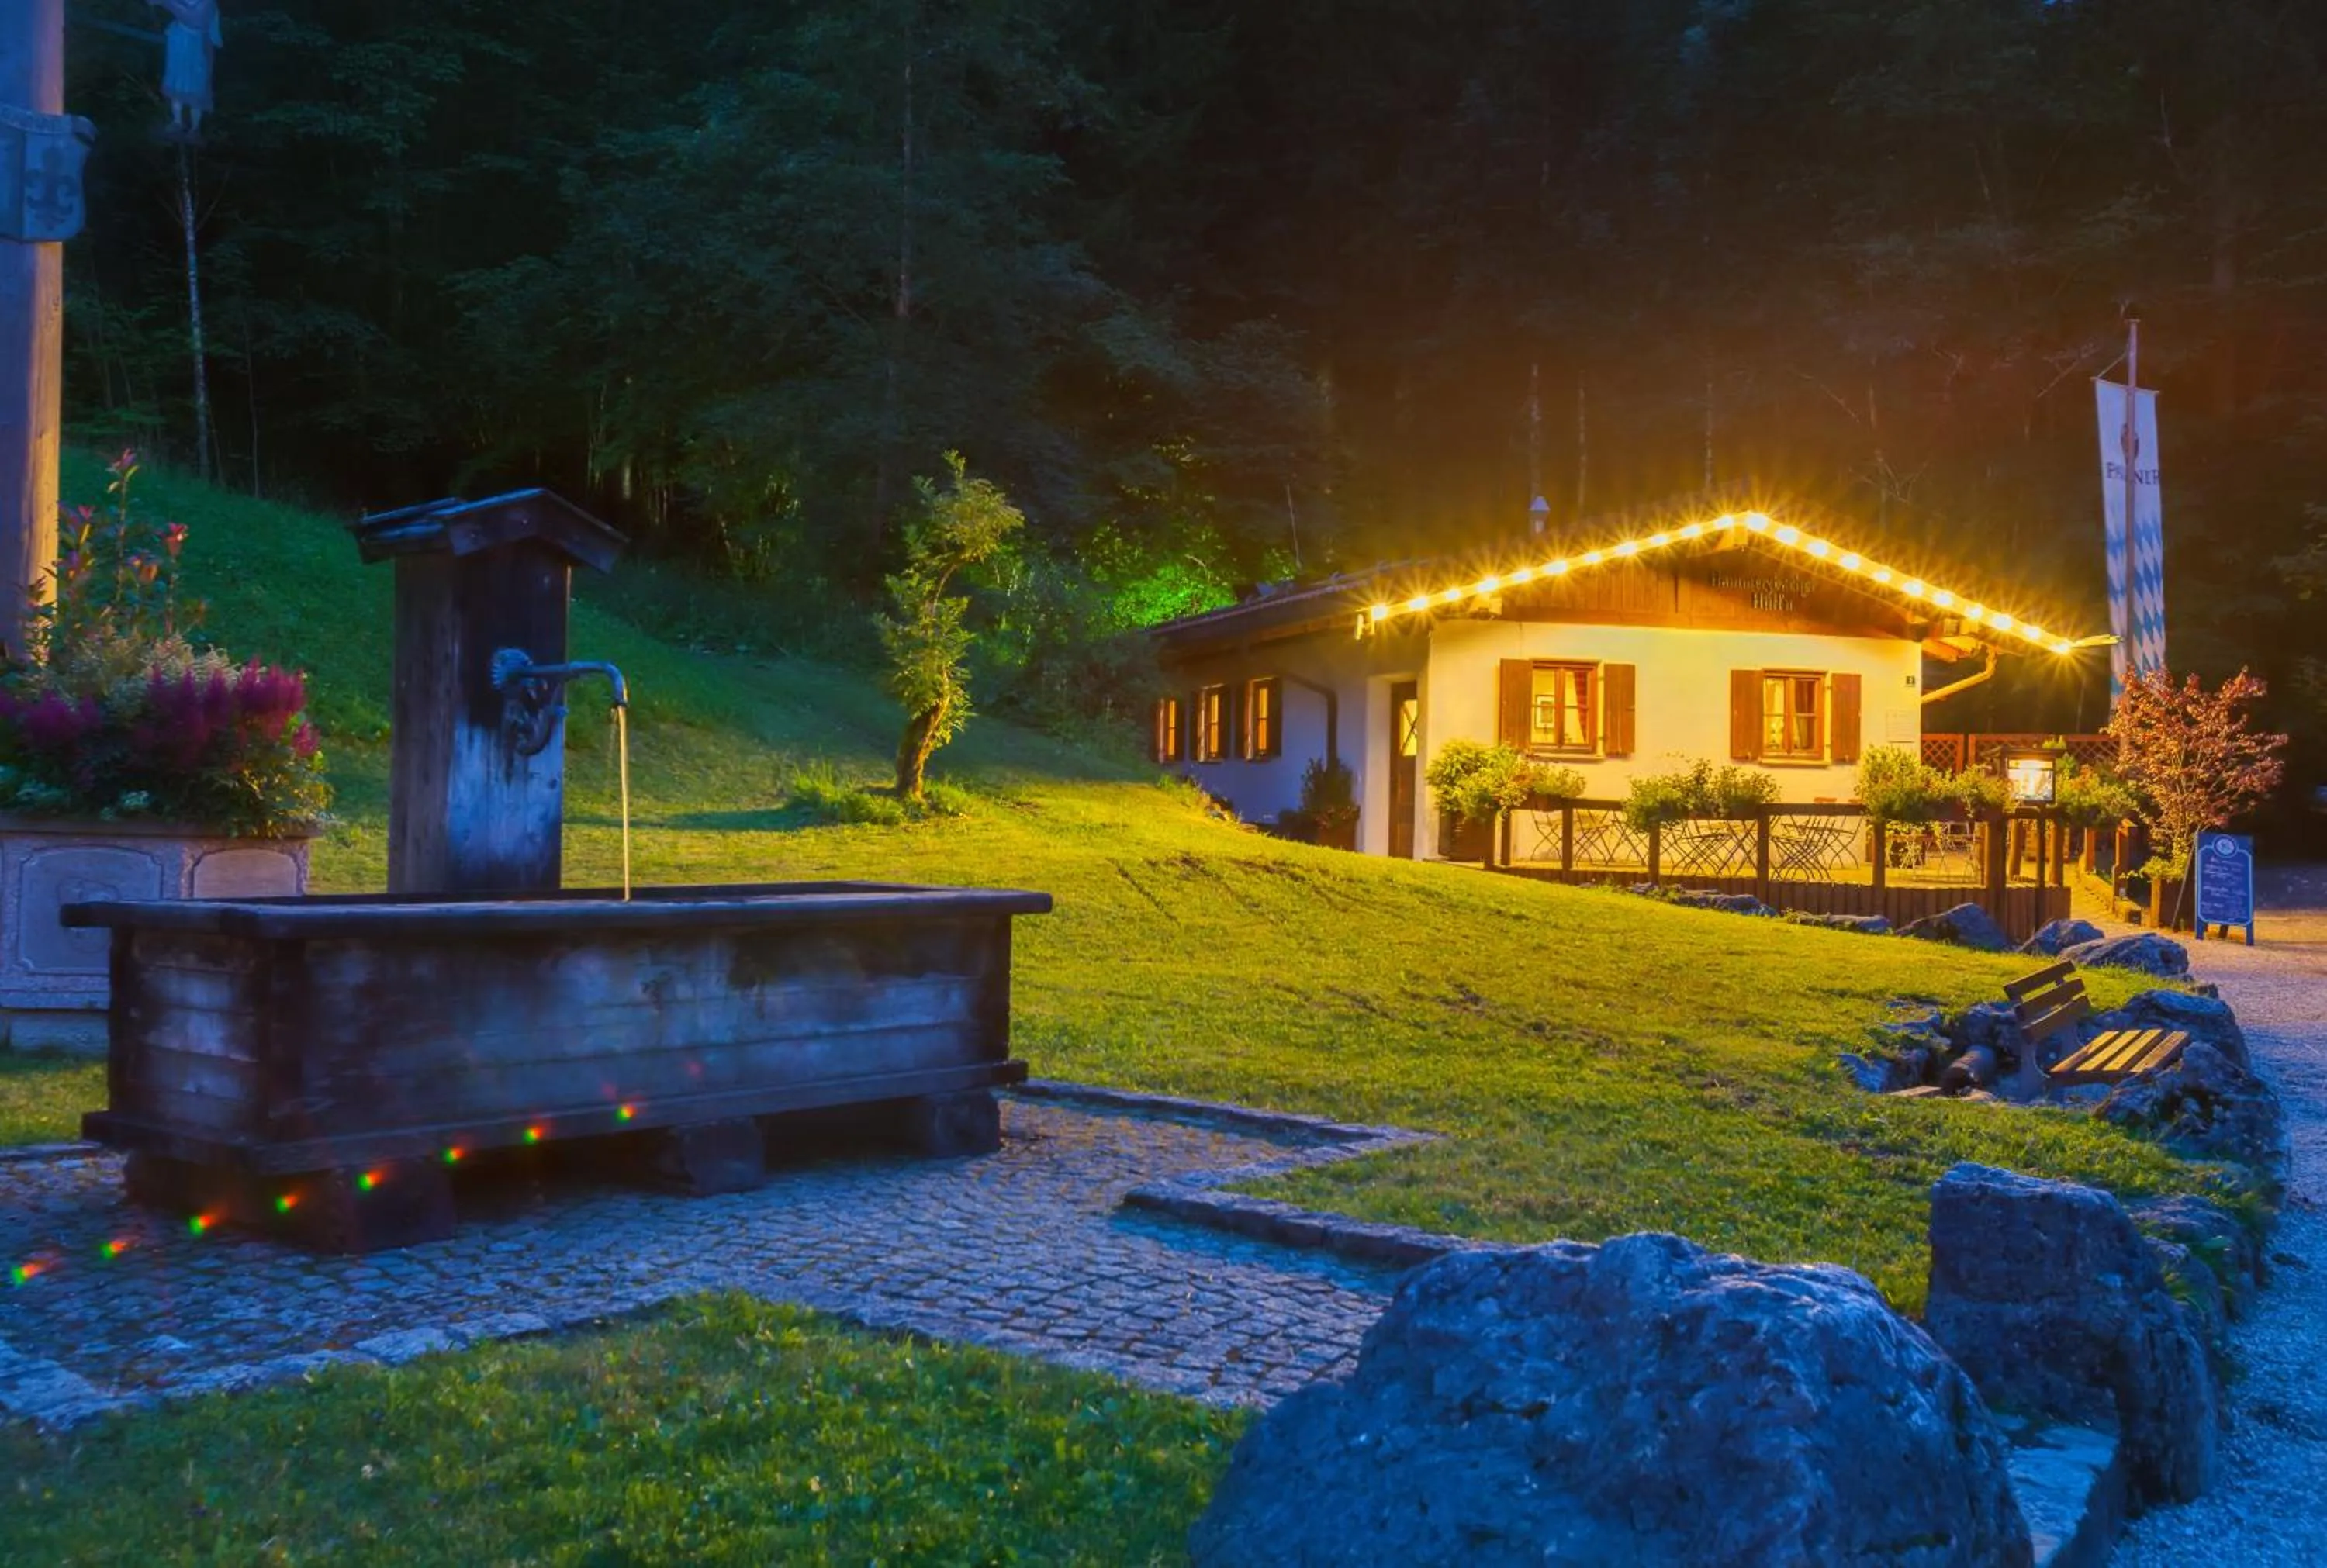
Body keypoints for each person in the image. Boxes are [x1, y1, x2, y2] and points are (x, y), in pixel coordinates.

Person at [150, 1, 223, 138]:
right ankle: (177, 121)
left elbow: (194, 18)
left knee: (195, 85)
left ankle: (195, 128)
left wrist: (166, 3)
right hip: (178, 42)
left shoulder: (207, 3)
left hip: (197, 46)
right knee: (176, 81)